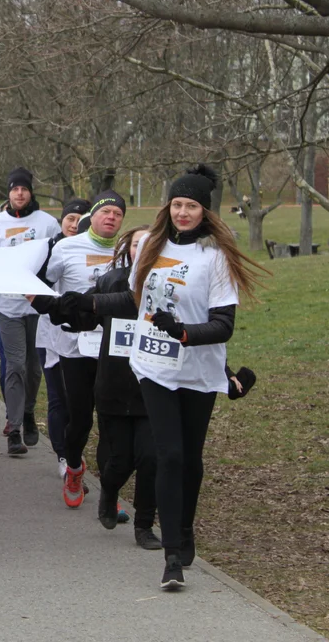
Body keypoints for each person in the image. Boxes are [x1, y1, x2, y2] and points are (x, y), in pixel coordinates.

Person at [80, 165, 265, 590]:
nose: (183, 212)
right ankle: (172, 559)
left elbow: (223, 325)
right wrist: (83, 305)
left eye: (192, 206)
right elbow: (131, 298)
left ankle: (184, 529)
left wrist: (182, 332)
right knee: (169, 456)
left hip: (198, 373)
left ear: (205, 211)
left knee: (191, 460)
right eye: (177, 204)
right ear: (169, 207)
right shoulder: (149, 246)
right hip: (154, 368)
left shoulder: (216, 258)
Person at [63, 224, 162, 550]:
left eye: (150, 245)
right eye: (136, 244)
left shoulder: (170, 286)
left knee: (150, 459)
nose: (142, 250)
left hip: (153, 388)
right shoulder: (111, 282)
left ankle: (145, 525)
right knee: (119, 459)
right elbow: (84, 316)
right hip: (114, 387)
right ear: (127, 250)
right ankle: (108, 492)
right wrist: (57, 308)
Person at [32, 192, 126, 506]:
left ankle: (109, 494)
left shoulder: (129, 251)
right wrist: (54, 308)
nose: (111, 217)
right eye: (106, 211)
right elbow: (40, 285)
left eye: (117, 213)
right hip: (73, 346)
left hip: (114, 346)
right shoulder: (66, 247)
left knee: (112, 419)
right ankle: (73, 466)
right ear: (93, 216)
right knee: (80, 418)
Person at [0, 167, 59, 456]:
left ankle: (27, 413)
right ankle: (14, 429)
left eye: (24, 188)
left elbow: (56, 260)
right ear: (9, 192)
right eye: (14, 189)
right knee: (14, 364)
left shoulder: (48, 223)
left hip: (37, 307)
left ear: (30, 191)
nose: (19, 193)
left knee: (33, 368)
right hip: (7, 306)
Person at [35, 198, 90, 478]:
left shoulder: (99, 250)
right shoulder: (47, 249)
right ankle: (63, 456)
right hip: (50, 334)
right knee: (58, 398)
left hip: (85, 338)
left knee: (79, 403)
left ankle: (75, 453)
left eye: (81, 219)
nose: (75, 224)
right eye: (70, 218)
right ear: (62, 220)